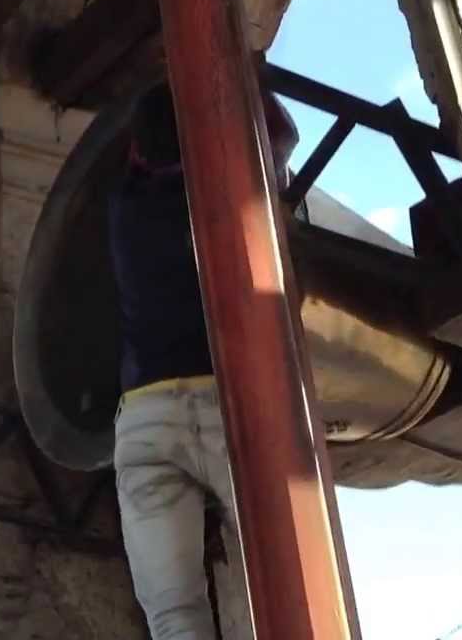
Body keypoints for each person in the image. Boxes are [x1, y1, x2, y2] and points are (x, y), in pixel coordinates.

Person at [108, 79, 297, 640]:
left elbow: (139, 147)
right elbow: (281, 134)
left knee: (173, 615)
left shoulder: (123, 204)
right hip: (227, 403)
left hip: (144, 418)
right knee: (288, 586)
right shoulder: (229, 197)